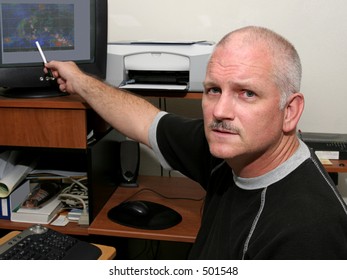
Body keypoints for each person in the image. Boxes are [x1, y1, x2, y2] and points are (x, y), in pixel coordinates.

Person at [45, 26, 347, 259]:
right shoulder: (229, 148)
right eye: (214, 89)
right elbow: (145, 120)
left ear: (290, 111)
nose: (219, 111)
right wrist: (79, 80)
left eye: (247, 93)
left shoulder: (310, 231)